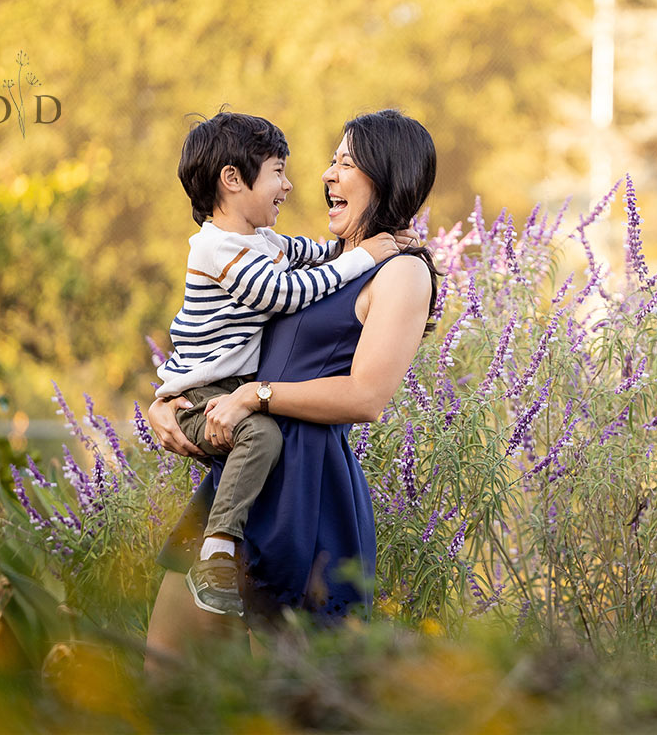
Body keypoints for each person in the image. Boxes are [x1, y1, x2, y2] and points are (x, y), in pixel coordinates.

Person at [144, 109, 439, 671]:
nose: (326, 175)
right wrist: (168, 400)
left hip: (305, 494)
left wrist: (256, 397)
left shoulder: (400, 272)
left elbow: (367, 397)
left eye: (345, 163)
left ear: (387, 174)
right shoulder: (300, 260)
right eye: (331, 160)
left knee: (286, 706)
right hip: (240, 486)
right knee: (167, 676)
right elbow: (225, 336)